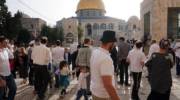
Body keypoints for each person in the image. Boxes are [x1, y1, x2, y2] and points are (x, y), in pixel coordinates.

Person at [90, 30, 120, 100]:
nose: (114, 45)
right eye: (113, 43)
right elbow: (108, 85)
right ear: (110, 43)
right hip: (103, 95)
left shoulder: (95, 52)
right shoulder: (106, 59)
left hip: (95, 91)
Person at [0, 36, 17, 100]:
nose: (7, 43)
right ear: (0, 43)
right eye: (5, 42)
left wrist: (9, 48)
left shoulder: (6, 50)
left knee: (13, 89)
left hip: (9, 74)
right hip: (1, 76)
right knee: (1, 94)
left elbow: (12, 57)